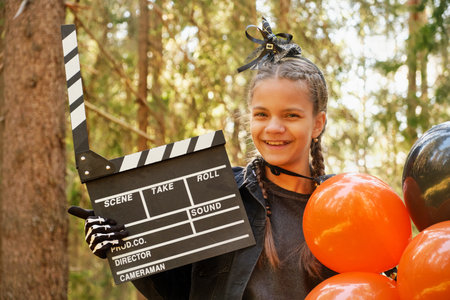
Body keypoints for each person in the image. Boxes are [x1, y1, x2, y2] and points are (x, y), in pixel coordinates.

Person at [69, 17, 336, 299]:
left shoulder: (342, 206)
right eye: (262, 114)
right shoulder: (218, 192)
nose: (274, 128)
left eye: (291, 115)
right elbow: (177, 289)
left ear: (318, 123)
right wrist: (123, 243)